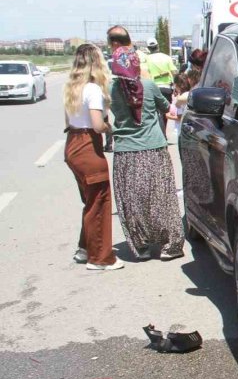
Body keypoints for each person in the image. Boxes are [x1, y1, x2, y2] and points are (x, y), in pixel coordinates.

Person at [106, 26, 185, 261]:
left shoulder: (111, 89)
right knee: (162, 197)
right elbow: (168, 109)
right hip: (154, 149)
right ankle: (170, 245)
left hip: (126, 152)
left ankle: (141, 246)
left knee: (133, 201)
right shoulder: (149, 86)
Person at [62, 44, 124, 271]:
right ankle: (100, 258)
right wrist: (109, 128)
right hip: (89, 146)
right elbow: (97, 125)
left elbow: (68, 122)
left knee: (90, 201)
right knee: (99, 202)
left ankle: (85, 248)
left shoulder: (71, 88)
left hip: (73, 144)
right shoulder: (93, 90)